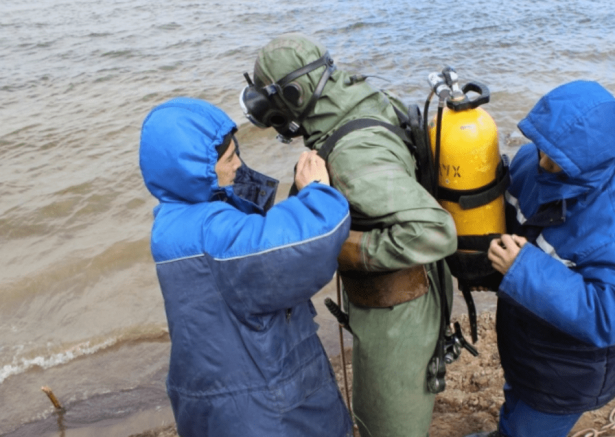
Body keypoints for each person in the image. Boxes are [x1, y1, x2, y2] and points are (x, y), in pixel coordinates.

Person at [240, 33, 457, 437]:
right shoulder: (362, 100)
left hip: (399, 314)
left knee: (385, 427)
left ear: (294, 94)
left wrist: (347, 246)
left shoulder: (353, 156)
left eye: (272, 100)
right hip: (411, 297)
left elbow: (435, 231)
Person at [138, 97, 353, 437]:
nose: (238, 163)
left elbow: (248, 236)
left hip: (211, 394)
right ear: (195, 170)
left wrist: (254, 191)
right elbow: (305, 243)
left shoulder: (173, 218)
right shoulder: (212, 233)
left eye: (236, 151)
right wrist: (316, 191)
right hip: (256, 408)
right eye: (229, 158)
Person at [468, 81, 615, 437]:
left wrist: (522, 270)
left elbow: (613, 314)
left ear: (588, 163)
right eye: (541, 147)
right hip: (530, 337)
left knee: (534, 421)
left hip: (571, 370)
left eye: (556, 161)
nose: (542, 163)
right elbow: (507, 217)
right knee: (518, 392)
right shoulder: (534, 162)